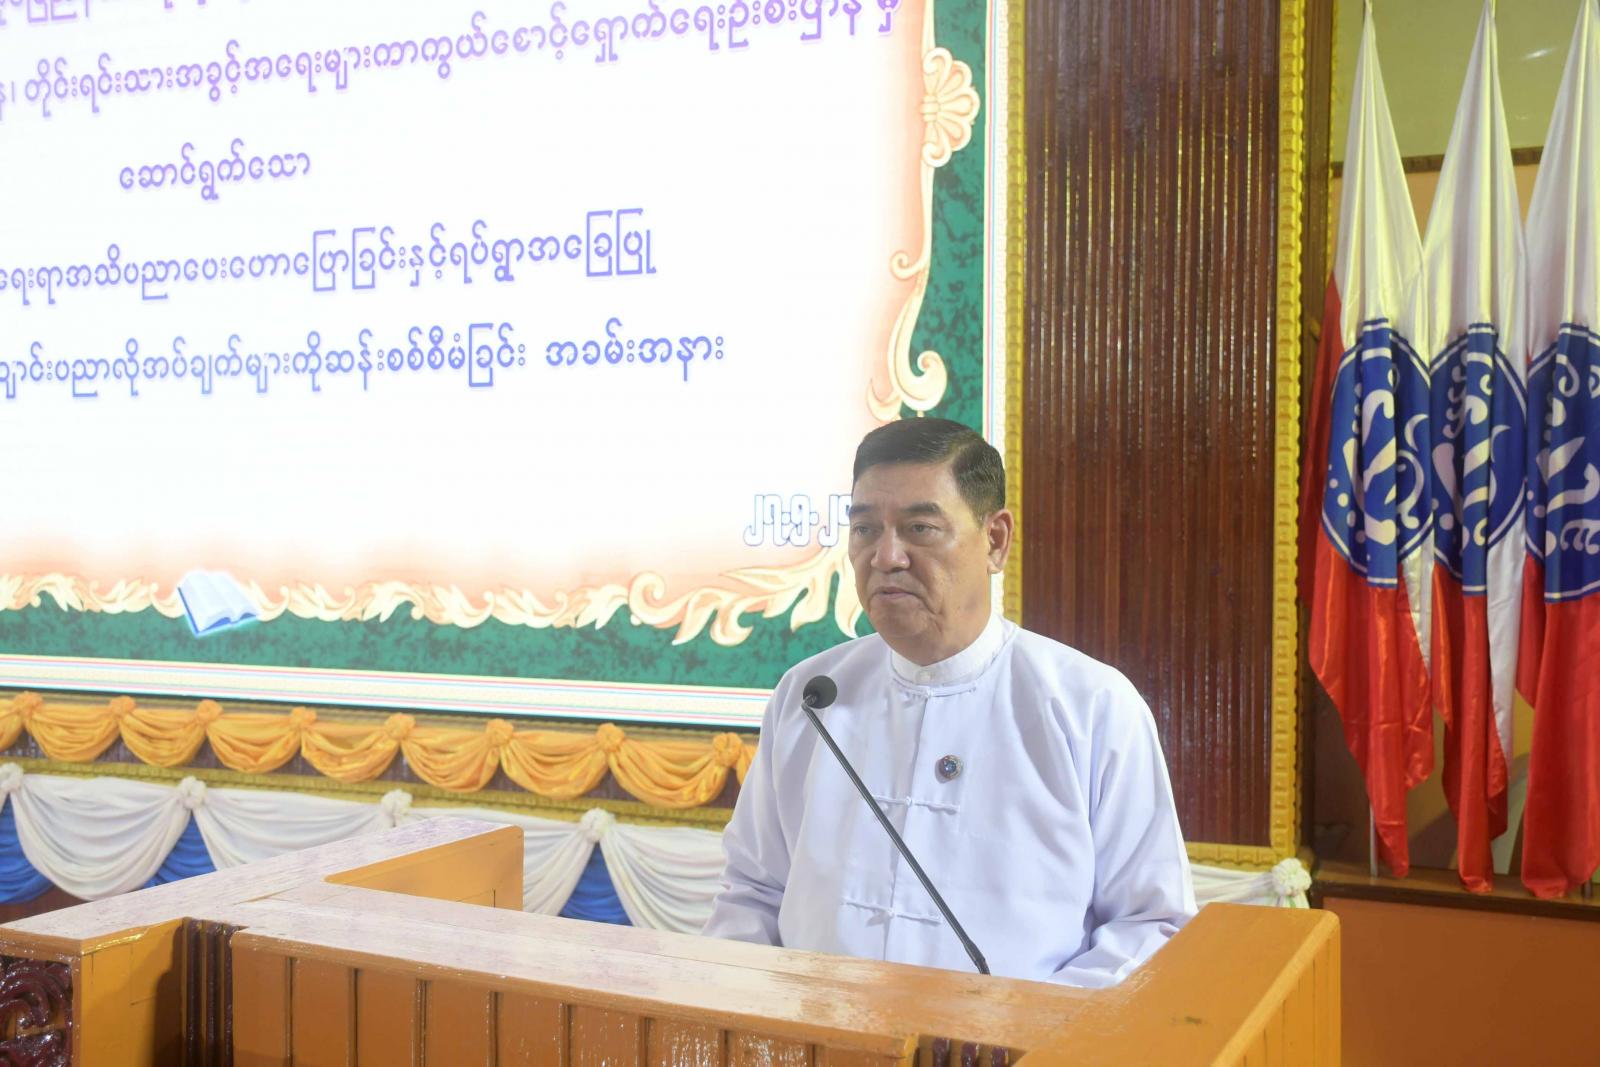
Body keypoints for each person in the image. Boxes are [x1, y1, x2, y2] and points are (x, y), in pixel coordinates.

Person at [701, 417, 1196, 987]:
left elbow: (1151, 923)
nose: (886, 556)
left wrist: (1028, 1026)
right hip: (814, 1027)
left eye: (920, 528)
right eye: (865, 529)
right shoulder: (810, 695)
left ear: (995, 541)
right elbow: (752, 893)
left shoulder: (1089, 706)